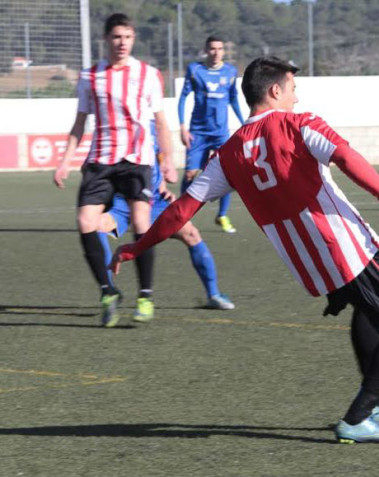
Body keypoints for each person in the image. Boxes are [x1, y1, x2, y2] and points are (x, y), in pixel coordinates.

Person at [110, 56, 379, 444]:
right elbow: (345, 156)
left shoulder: (227, 155)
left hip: (311, 265)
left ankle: (371, 401)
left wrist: (136, 247)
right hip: (348, 247)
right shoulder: (299, 124)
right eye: (293, 89)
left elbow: (180, 210)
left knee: (368, 312)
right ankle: (358, 417)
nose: (297, 97)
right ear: (275, 91)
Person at [53, 13, 176, 327]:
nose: (122, 43)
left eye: (128, 37)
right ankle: (108, 292)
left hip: (136, 160)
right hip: (100, 161)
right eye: (117, 37)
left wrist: (168, 161)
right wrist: (66, 160)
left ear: (133, 39)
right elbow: (80, 122)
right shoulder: (89, 76)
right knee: (85, 222)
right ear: (106, 39)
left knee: (140, 221)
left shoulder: (147, 74)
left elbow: (161, 122)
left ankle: (145, 295)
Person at [97, 121, 235, 320]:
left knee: (191, 234)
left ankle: (213, 294)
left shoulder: (154, 125)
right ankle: (109, 293)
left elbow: (157, 157)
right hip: (123, 201)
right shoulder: (114, 124)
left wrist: (161, 184)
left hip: (153, 200)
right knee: (97, 227)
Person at [178, 35, 244, 233]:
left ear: (223, 51)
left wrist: (243, 123)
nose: (216, 52)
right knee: (190, 174)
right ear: (206, 50)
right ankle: (182, 215)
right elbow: (182, 98)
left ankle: (222, 215)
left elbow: (233, 100)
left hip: (220, 134)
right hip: (197, 132)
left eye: (220, 49)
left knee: (228, 174)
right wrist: (182, 126)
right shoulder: (195, 70)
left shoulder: (230, 72)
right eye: (212, 48)